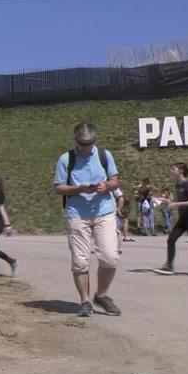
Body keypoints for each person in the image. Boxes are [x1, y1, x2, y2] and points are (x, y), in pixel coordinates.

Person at [53, 122, 121, 317]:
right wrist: (80, 188)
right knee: (80, 261)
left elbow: (115, 181)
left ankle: (102, 295)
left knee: (110, 257)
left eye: (90, 143)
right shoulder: (66, 159)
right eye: (83, 143)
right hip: (77, 214)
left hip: (104, 211)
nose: (86, 146)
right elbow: (58, 188)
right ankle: (85, 300)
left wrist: (107, 186)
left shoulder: (104, 155)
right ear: (76, 141)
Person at [154, 163, 188, 276]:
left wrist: (176, 204)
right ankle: (169, 266)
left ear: (181, 171)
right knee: (171, 239)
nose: (171, 171)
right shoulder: (178, 185)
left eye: (173, 169)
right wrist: (166, 201)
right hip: (183, 218)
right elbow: (177, 203)